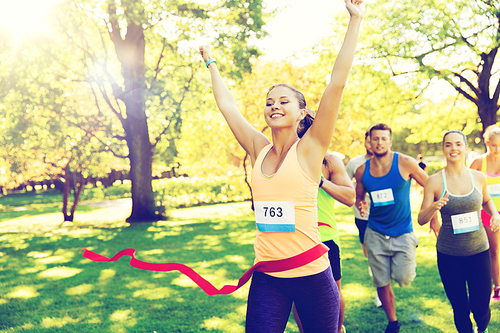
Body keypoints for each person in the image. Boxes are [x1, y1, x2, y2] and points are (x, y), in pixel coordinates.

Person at [199, 0, 363, 331]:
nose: (274, 105)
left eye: (283, 101)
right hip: (268, 277)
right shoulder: (258, 148)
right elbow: (227, 106)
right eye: (269, 102)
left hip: (314, 276)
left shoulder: (311, 149)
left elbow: (337, 83)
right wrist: (211, 63)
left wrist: (355, 19)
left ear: (301, 112)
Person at [418, 130, 500, 333]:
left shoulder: (479, 177)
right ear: (444, 148)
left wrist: (495, 214)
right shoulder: (435, 181)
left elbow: (487, 200)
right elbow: (421, 219)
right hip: (449, 255)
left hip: (479, 252)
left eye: (457, 144)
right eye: (448, 145)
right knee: (460, 309)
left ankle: (482, 328)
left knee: (481, 307)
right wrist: (435, 206)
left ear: (465, 148)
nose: (453, 148)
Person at [354, 123, 428, 333]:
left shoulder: (405, 163)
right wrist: (361, 203)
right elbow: (359, 195)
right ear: (369, 142)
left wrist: (432, 215)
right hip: (375, 233)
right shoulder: (362, 171)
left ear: (390, 141)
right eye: (375, 139)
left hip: (403, 231)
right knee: (381, 281)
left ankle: (408, 251)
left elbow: (430, 185)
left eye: (383, 139)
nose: (379, 143)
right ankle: (392, 322)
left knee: (404, 278)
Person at [292, 108, 356, 333]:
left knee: (332, 292)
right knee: (295, 296)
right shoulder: (282, 159)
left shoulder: (329, 161)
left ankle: (337, 330)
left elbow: (350, 198)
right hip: (292, 239)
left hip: (324, 238)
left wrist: (320, 182)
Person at [345, 131, 382, 308]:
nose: (373, 143)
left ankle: (380, 291)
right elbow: (342, 184)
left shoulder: (388, 161)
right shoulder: (355, 163)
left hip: (384, 215)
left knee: (379, 253)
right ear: (366, 142)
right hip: (362, 216)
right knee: (370, 254)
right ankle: (379, 279)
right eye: (370, 139)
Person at [470, 125, 500, 302]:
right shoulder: (478, 162)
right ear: (486, 142)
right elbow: (466, 185)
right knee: (494, 251)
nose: (498, 149)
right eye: (495, 145)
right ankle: (496, 287)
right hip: (487, 212)